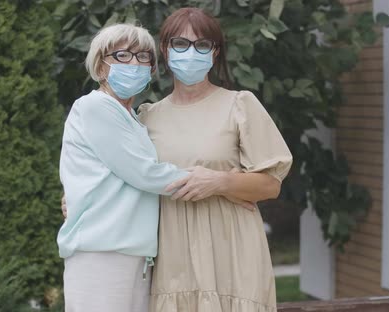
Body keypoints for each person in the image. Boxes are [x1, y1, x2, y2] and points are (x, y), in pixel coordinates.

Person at [57, 23, 253, 312]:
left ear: (151, 71)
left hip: (133, 255)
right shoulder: (94, 107)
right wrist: (221, 184)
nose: (134, 63)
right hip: (102, 253)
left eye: (143, 57)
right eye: (122, 56)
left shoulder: (133, 118)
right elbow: (145, 173)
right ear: (101, 67)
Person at [138, 8, 293, 311]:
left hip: (233, 252)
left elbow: (271, 186)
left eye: (202, 45)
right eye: (180, 44)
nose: (190, 53)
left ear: (215, 51)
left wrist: (220, 181)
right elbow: (124, 177)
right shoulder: (147, 118)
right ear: (165, 49)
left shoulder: (240, 106)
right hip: (173, 258)